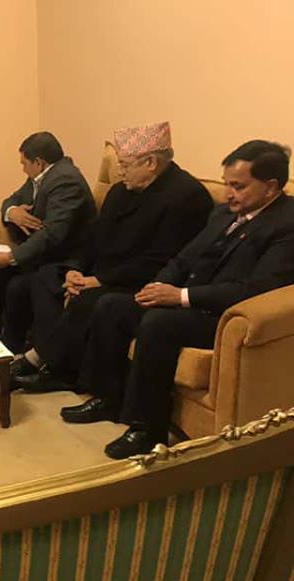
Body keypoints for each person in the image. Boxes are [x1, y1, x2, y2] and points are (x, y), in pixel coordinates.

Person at [61, 140, 294, 459]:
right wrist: (158, 285)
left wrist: (181, 296)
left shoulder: (286, 224)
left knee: (159, 323)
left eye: (238, 186)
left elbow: (255, 288)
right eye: (226, 184)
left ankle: (147, 428)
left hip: (224, 314)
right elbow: (184, 258)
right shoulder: (224, 213)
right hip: (189, 297)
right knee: (112, 305)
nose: (228, 194)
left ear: (270, 187)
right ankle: (108, 398)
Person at [15, 122, 213, 392]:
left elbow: (161, 259)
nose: (120, 171)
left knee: (92, 299)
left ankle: (54, 367)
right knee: (48, 277)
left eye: (125, 165)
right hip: (103, 271)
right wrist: (77, 270)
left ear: (151, 163)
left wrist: (100, 280)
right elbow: (94, 238)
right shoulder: (121, 191)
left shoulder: (186, 196)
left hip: (140, 279)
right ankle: (47, 357)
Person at [0, 132, 96, 349]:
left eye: (24, 164)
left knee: (15, 282)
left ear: (38, 162)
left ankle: (12, 344)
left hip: (65, 258)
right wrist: (12, 212)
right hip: (44, 251)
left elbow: (52, 234)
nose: (23, 169)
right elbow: (11, 199)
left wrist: (12, 257)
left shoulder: (66, 181)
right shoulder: (41, 176)